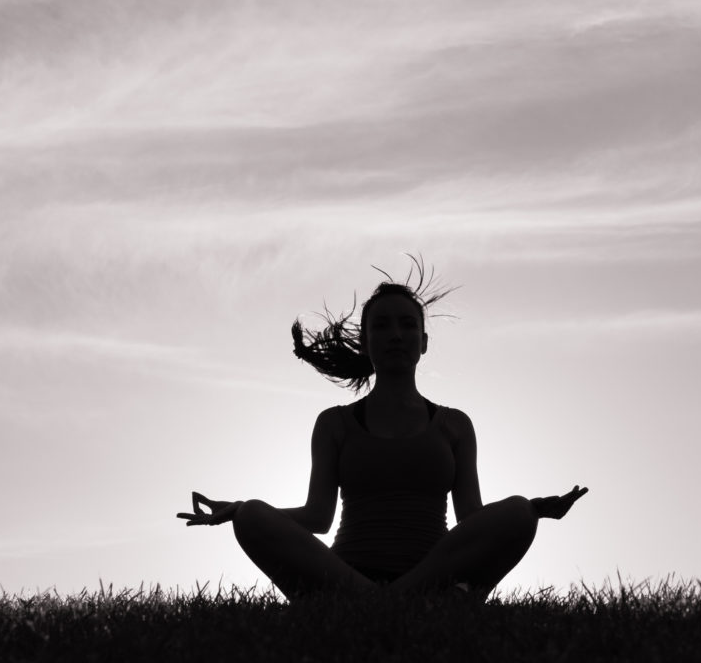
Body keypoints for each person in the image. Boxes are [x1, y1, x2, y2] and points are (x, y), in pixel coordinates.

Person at [177, 256, 588, 601]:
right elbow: (318, 517)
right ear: (365, 342)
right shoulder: (334, 423)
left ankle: (385, 603)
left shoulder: (455, 425)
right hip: (345, 574)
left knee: (518, 512)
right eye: (382, 326)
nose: (396, 335)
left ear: (424, 342)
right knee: (251, 516)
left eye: (407, 325)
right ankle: (389, 603)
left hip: (432, 575)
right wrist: (238, 512)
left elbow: (471, 518)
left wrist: (533, 509)